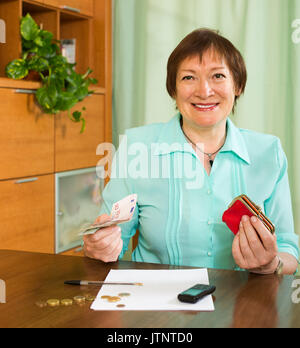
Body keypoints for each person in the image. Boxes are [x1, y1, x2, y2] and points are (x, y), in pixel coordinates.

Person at [84, 28, 299, 275]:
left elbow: (288, 248)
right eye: (189, 78)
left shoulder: (268, 152)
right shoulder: (137, 146)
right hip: (155, 306)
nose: (204, 91)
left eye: (217, 76)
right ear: (173, 90)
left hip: (242, 305)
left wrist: (272, 264)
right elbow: (112, 240)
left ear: (237, 85)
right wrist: (98, 247)